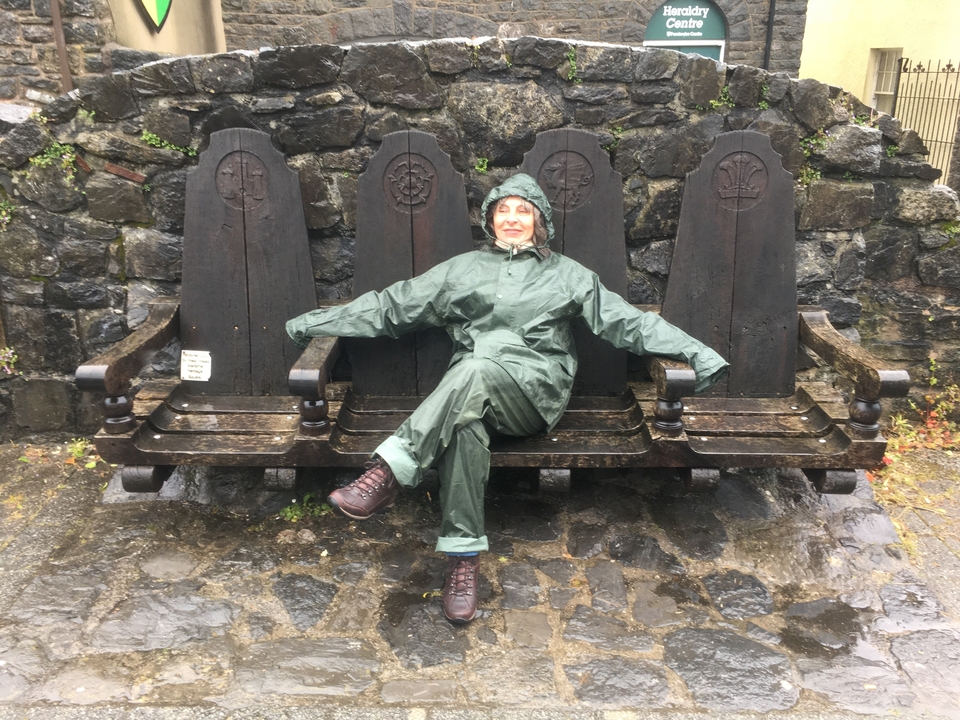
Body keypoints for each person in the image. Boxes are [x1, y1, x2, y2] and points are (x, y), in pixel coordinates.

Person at [286, 173, 729, 624]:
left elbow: (629, 323)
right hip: (468, 397)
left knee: (472, 371)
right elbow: (391, 306)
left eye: (523, 211)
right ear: (490, 218)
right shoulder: (461, 270)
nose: (512, 219)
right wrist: (313, 323)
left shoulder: (568, 275)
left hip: (533, 393)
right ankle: (463, 559)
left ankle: (388, 473)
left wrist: (696, 352)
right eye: (503, 210)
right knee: (462, 428)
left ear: (539, 220)